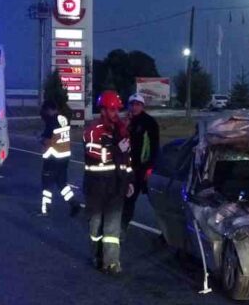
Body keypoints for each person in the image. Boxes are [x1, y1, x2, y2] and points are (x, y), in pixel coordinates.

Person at [83, 91, 133, 274]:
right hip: (96, 186)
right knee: (95, 225)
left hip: (116, 186)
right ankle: (97, 256)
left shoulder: (120, 130)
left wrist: (129, 181)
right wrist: (116, 150)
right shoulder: (93, 130)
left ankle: (111, 262)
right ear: (102, 110)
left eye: (116, 110)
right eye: (112, 109)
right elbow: (97, 155)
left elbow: (127, 159)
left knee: (112, 227)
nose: (115, 113)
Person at [122, 93, 160, 231]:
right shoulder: (126, 122)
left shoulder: (149, 122)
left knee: (156, 201)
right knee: (129, 198)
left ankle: (164, 228)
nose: (134, 107)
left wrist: (150, 167)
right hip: (129, 167)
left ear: (142, 106)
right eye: (132, 104)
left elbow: (155, 146)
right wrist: (125, 126)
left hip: (144, 168)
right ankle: (122, 227)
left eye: (137, 104)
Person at [38, 100, 79, 217]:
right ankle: (73, 204)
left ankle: (45, 210)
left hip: (52, 157)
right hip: (64, 157)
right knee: (62, 183)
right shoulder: (63, 119)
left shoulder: (51, 121)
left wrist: (39, 139)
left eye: (45, 111)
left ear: (49, 110)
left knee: (46, 185)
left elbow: (46, 140)